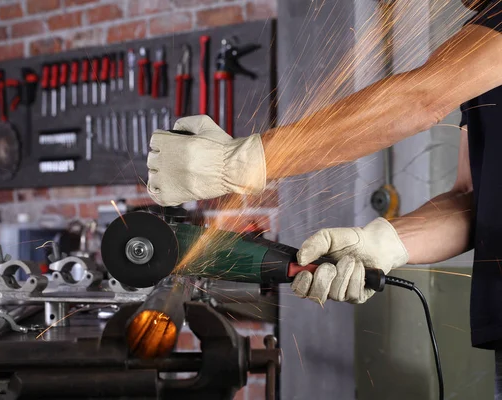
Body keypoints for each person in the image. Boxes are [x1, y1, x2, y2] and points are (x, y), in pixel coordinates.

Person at [147, 0, 502, 389]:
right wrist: (385, 242)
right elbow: (471, 197)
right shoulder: (482, 42)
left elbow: (423, 97)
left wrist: (240, 162)